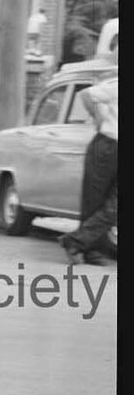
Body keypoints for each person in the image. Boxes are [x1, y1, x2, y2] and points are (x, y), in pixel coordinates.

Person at [60, 74, 118, 267]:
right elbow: (86, 94)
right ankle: (91, 250)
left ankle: (76, 241)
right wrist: (99, 119)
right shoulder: (115, 85)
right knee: (94, 199)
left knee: (114, 205)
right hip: (108, 144)